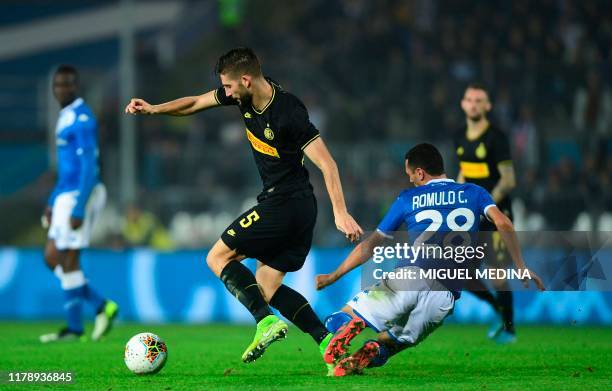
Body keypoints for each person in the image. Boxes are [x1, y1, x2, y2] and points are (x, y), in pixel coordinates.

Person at [125, 47, 363, 367]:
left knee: (217, 256)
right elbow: (195, 103)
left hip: (285, 202)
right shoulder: (244, 96)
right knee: (266, 287)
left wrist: (341, 212)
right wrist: (154, 109)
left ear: (246, 80)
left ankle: (264, 322)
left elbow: (328, 164)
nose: (224, 93)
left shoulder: (289, 111)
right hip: (300, 207)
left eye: (228, 86)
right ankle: (327, 343)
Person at [315, 143, 544, 376]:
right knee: (399, 338)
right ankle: (374, 350)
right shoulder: (475, 193)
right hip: (444, 296)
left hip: (409, 278)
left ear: (420, 173)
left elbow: (370, 246)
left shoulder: (408, 198)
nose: (411, 180)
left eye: (410, 175)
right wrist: (521, 266)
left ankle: (349, 325)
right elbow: (504, 223)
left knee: (338, 318)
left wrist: (334, 276)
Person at [40, 65, 118, 343]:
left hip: (79, 193)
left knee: (68, 258)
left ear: (76, 87)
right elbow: (66, 169)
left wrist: (77, 207)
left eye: (68, 85)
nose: (62, 89)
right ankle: (100, 305)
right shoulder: (65, 117)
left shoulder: (82, 118)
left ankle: (74, 329)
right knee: (52, 257)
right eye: (58, 85)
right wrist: (52, 201)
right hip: (65, 193)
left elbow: (88, 167)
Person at [454, 83, 518, 343]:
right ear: (463, 104)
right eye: (469, 99)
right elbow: (463, 173)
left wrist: (485, 205)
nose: (473, 104)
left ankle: (509, 327)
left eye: (479, 100)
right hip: (470, 217)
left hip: (495, 215)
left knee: (496, 274)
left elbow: (508, 180)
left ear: (488, 106)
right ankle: (497, 308)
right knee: (460, 273)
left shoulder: (496, 137)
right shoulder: (459, 136)